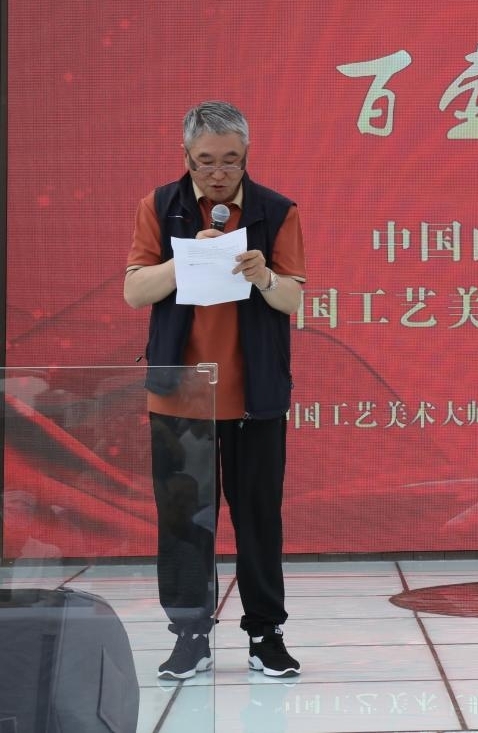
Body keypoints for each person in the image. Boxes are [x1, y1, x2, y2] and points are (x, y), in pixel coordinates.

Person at [124, 101, 306, 680]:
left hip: (254, 395)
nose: (219, 172)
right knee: (183, 522)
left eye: (231, 159)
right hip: (180, 396)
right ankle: (190, 636)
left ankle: (266, 634)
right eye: (206, 161)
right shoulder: (160, 206)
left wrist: (264, 276)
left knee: (258, 518)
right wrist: (190, 259)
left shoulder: (276, 211)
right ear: (186, 156)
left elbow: (292, 298)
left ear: (247, 155)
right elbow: (135, 291)